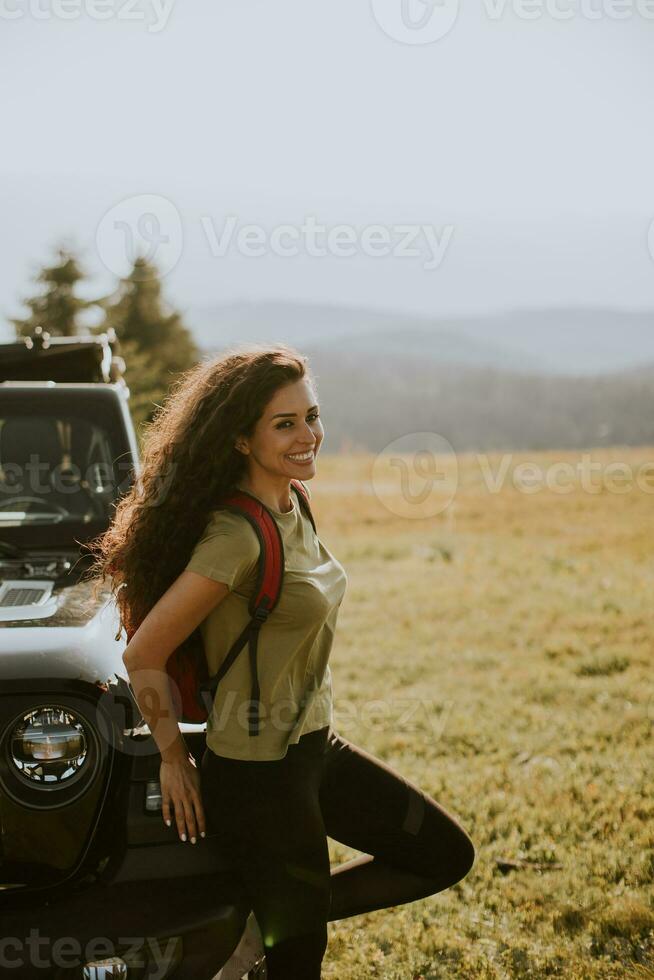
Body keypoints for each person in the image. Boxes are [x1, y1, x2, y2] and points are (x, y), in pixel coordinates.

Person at [90, 344, 475, 979]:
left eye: (312, 416)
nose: (309, 436)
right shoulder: (233, 537)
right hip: (257, 776)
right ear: (240, 440)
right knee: (298, 962)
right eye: (285, 423)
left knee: (443, 854)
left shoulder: (295, 503)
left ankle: (257, 925)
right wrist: (173, 759)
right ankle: (273, 922)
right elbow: (145, 652)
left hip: (316, 748)